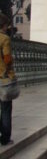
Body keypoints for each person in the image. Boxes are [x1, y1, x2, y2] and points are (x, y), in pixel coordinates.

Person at [0, 14, 15, 146]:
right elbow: (7, 59)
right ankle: (5, 137)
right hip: (2, 79)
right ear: (4, 26)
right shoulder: (4, 39)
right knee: (5, 108)